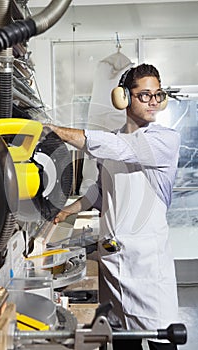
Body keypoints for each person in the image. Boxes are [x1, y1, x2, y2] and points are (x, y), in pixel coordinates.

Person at [47, 64, 181, 350]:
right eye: (144, 94)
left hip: (147, 265)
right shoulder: (114, 140)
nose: (153, 101)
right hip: (112, 260)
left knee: (162, 340)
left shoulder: (165, 140)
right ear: (123, 97)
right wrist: (71, 208)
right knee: (120, 339)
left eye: (157, 94)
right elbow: (101, 190)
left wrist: (55, 131)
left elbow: (119, 147)